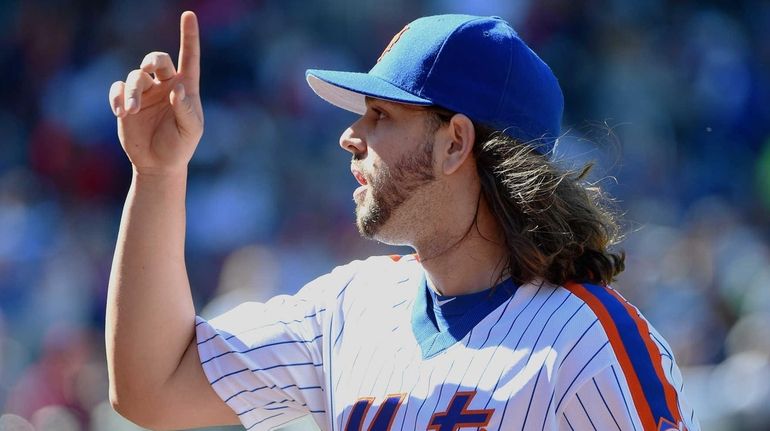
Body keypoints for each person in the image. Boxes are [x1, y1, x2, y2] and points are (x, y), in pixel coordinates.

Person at [106, 11, 700, 431]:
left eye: (380, 114)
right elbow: (151, 389)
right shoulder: (347, 308)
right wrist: (158, 176)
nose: (350, 136)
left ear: (454, 143)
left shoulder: (589, 347)